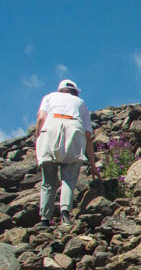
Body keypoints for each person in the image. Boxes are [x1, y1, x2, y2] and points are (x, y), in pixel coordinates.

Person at [34, 79, 98, 225]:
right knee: (68, 178)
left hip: (49, 129)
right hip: (73, 129)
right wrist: (93, 165)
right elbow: (88, 136)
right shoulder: (80, 103)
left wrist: (39, 139)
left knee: (48, 181)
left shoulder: (49, 97)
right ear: (75, 91)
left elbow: (42, 117)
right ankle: (65, 214)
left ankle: (45, 219)